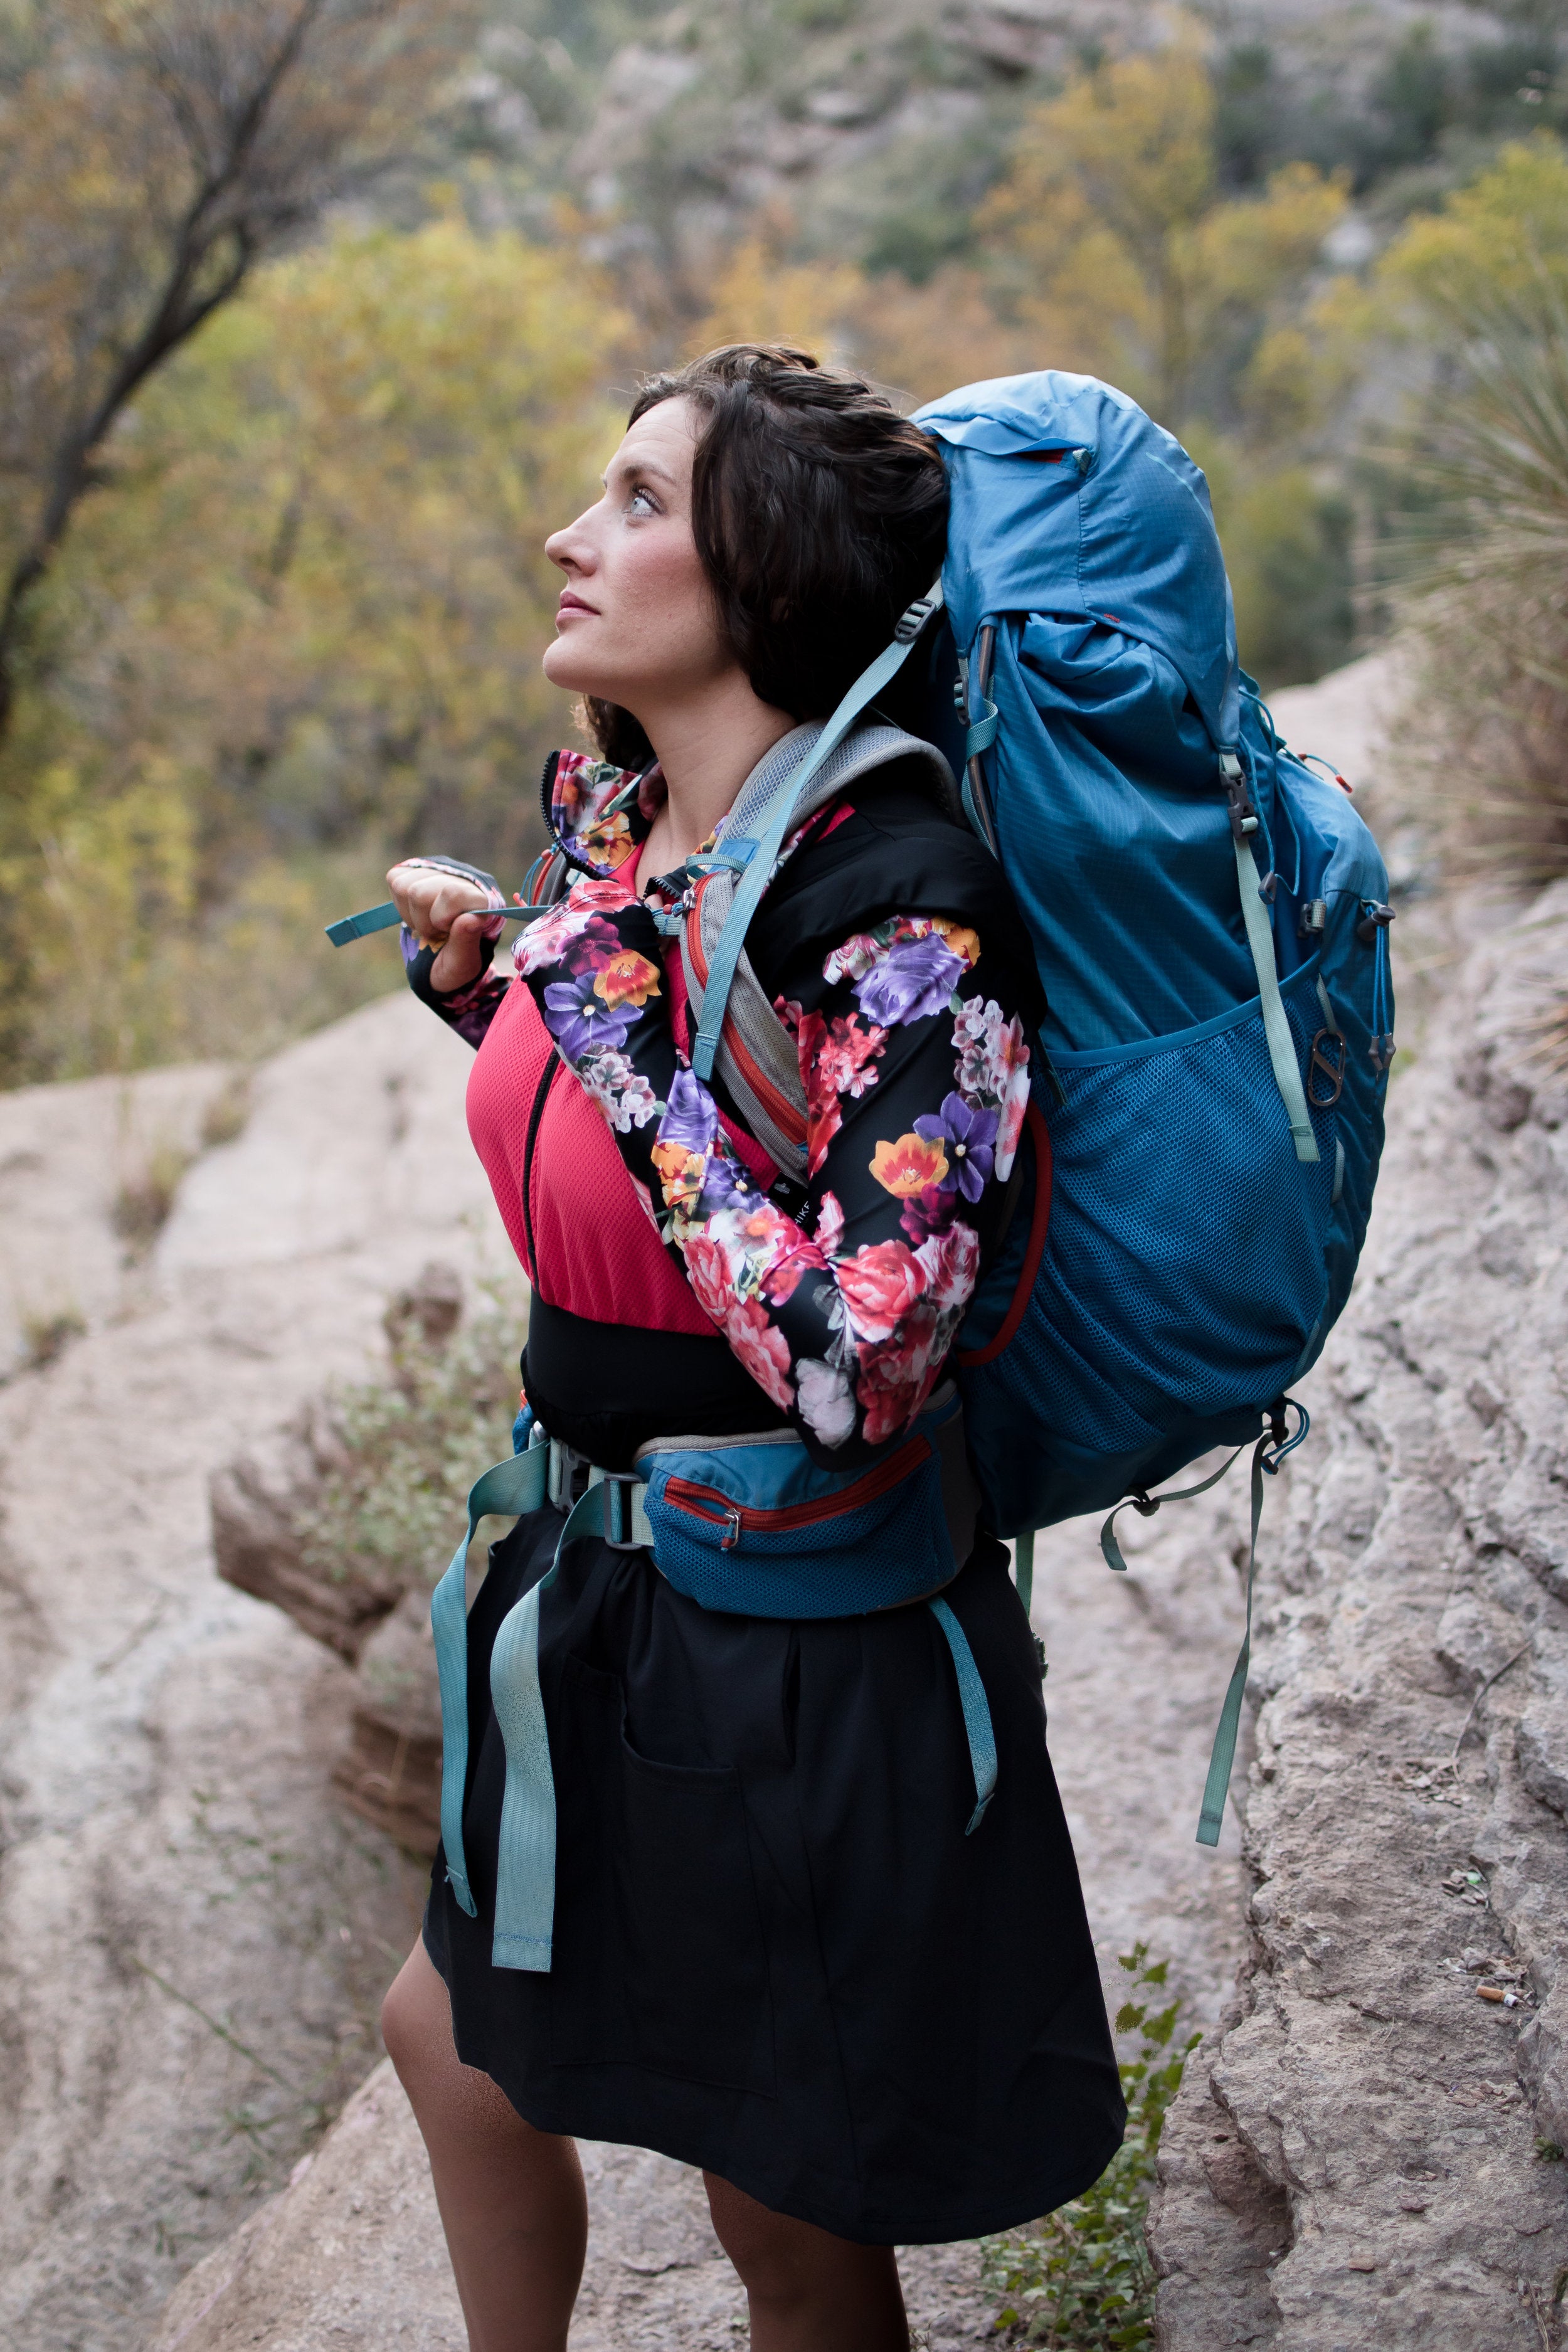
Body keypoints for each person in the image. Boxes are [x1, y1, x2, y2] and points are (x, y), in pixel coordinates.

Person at [378, 344, 1123, 2352]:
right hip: (599, 1591)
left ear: (766, 574)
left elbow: (861, 1357)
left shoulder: (908, 909)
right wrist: (517, 1009)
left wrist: (618, 1051)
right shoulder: (639, 836)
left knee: (784, 2224)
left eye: (635, 502)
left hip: (791, 1633)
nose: (569, 534)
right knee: (447, 2043)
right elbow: (697, 1182)